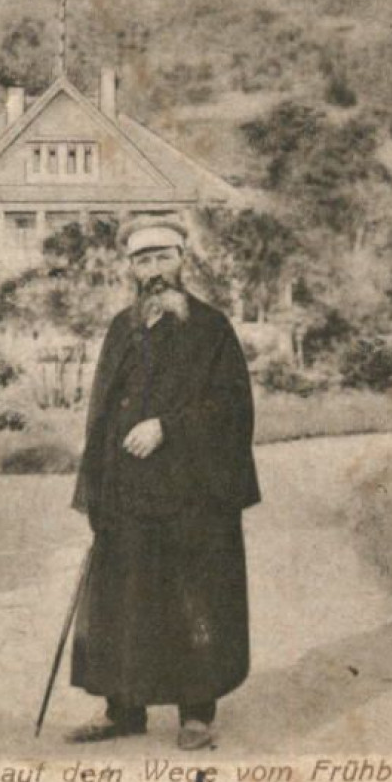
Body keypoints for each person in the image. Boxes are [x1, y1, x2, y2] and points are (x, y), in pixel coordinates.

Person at [67, 216, 261, 751]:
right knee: (124, 598)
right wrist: (98, 484)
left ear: (182, 261)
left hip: (192, 492)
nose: (152, 271)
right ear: (130, 268)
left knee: (192, 598)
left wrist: (167, 428)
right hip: (129, 493)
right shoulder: (120, 328)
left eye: (161, 258)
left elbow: (232, 407)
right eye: (141, 261)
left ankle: (196, 713)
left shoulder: (210, 328)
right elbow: (101, 411)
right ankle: (122, 708)